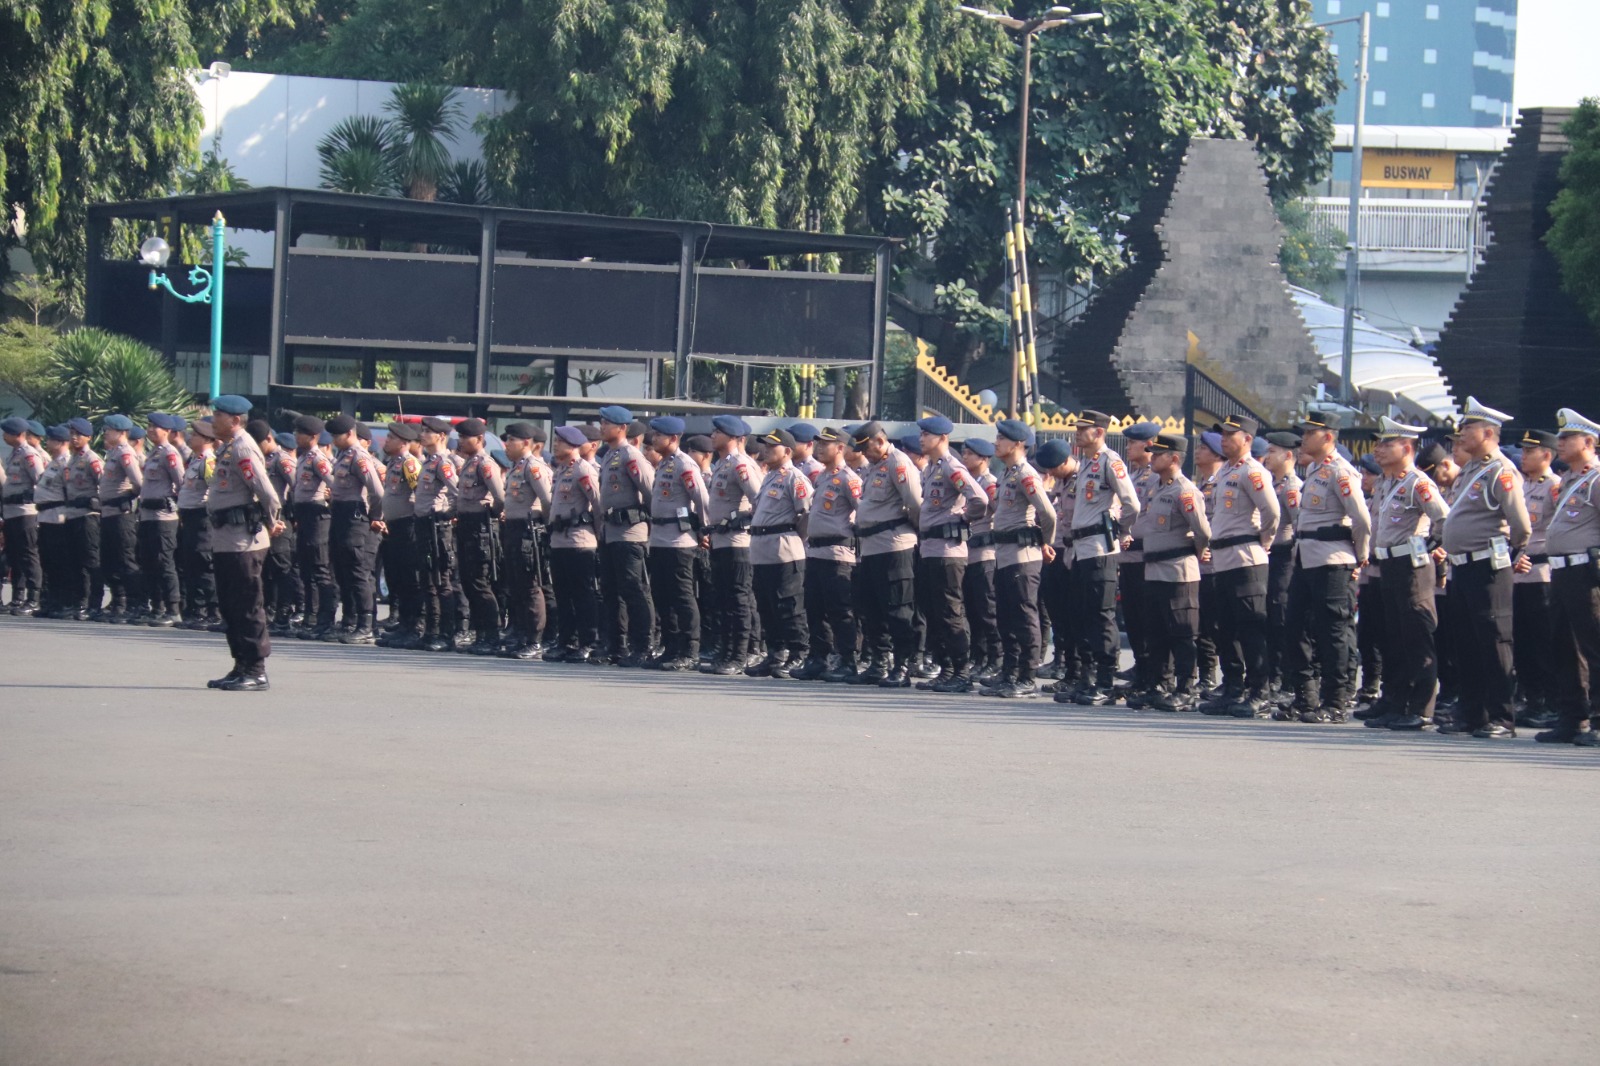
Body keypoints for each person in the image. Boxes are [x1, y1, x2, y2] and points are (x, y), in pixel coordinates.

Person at [1437, 398, 1531, 738]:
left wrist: (1513, 552)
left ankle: (1501, 717)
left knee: (1494, 642)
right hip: (1462, 566)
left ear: (1488, 433)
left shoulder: (1501, 471)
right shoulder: (1473, 470)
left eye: (1468, 428)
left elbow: (1520, 524)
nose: (1461, 434)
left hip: (1488, 567)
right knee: (1466, 643)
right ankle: (1472, 713)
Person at [1351, 418, 1450, 731]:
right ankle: (1396, 701)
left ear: (1407, 448)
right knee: (1393, 637)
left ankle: (1421, 708)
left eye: (1386, 444)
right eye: (1378, 443)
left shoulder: (1417, 482)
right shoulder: (1386, 482)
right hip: (1388, 565)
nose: (1378, 450)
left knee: (1416, 636)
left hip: (1411, 566)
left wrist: (1431, 544)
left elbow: (1443, 518)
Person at [1277, 411, 1372, 724]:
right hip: (1307, 556)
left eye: (1310, 432)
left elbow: (1361, 519)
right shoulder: (1316, 469)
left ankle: (1337, 700)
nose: (1304, 438)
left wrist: (1359, 555)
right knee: (1295, 626)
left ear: (1328, 437)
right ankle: (1307, 697)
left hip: (1333, 559)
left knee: (1333, 630)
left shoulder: (1340, 472)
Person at [1198, 414, 1280, 718]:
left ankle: (1260, 690)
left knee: (1251, 628)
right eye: (1222, 434)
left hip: (1246, 557)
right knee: (1226, 627)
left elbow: (1271, 511)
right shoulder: (1223, 473)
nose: (1224, 439)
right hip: (1223, 559)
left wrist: (1264, 539)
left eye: (1231, 435)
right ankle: (1233, 687)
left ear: (1246, 439)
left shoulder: (1252, 471)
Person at [204, 395, 284, 691]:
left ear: (235, 420)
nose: (213, 420)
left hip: (244, 540)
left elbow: (266, 491)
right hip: (226, 538)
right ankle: (240, 665)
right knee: (230, 605)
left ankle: (256, 669)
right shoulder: (227, 447)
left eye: (218, 415)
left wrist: (270, 519)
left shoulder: (242, 446)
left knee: (248, 605)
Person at [1060, 410, 1140, 705]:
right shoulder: (1085, 464)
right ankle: (1086, 677)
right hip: (1081, 548)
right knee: (1081, 614)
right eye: (1077, 429)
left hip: (1100, 548)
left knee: (1100, 615)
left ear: (1100, 432)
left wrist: (1122, 530)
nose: (1077, 434)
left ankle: (1105, 679)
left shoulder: (1110, 462)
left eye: (1084, 429)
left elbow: (1131, 503)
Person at [1534, 408, 1600, 746]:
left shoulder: (1596, 478)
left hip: (1585, 573)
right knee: (1564, 646)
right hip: (1561, 571)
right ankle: (1573, 717)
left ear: (1588, 442)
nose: (1559, 443)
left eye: (1567, 438)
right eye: (1559, 438)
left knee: (1594, 645)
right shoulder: (1570, 481)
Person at [912, 415, 989, 692]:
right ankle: (945, 668)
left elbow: (979, 498)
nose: (922, 438)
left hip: (948, 550)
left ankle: (961, 670)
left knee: (950, 611)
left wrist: (965, 518)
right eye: (921, 434)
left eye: (927, 434)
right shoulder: (931, 469)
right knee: (933, 611)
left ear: (942, 438)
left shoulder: (951, 467)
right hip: (930, 549)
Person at [1137, 434, 1212, 712]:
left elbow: (1203, 531)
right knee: (1156, 632)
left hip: (1178, 570)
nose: (1152, 457)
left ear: (1175, 458)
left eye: (1158, 454)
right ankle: (1160, 685)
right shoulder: (1156, 487)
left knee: (1182, 632)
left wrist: (1198, 550)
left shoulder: (1185, 490)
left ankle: (1186, 688)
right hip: (1155, 569)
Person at [982, 420, 1057, 698]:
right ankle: (1009, 671)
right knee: (1006, 615)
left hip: (1021, 555)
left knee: (1024, 615)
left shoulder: (1026, 474)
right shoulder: (1007, 474)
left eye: (1001, 438)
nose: (996, 442)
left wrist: (1045, 542)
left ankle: (1027, 676)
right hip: (1004, 555)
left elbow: (1048, 514)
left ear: (1017, 444)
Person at [849, 421, 922, 686]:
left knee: (897, 609)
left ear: (880, 441)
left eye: (866, 448)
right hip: (871, 547)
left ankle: (902, 665)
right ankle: (880, 662)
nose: (863, 454)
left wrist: (911, 531)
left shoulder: (898, 463)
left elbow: (914, 503)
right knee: (871, 607)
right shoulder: (873, 468)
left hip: (894, 545)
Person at [644, 415, 708, 669]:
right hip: (659, 538)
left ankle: (689, 650)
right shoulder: (664, 464)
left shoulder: (684, 464)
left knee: (683, 597)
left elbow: (701, 498)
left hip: (679, 541)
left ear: (673, 438)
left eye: (658, 435)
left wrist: (705, 529)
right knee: (662, 595)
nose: (654, 439)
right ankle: (671, 648)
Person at [746, 428, 811, 677]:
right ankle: (775, 653)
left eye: (771, 447)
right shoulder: (770, 477)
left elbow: (806, 514)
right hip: (763, 548)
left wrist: (795, 538)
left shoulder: (795, 478)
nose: (765, 450)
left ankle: (798, 653)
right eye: (764, 446)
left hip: (784, 548)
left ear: (787, 451)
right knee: (767, 604)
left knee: (789, 605)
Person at [702, 415, 762, 675]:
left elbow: (759, 501)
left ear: (733, 437)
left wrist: (739, 520)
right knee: (724, 599)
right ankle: (725, 652)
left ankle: (740, 655)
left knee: (738, 599)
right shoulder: (722, 465)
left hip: (738, 542)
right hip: (720, 541)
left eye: (718, 431)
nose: (713, 435)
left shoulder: (740, 465)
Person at [596, 405, 656, 666]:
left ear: (622, 428)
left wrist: (649, 525)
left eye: (606, 423)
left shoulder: (631, 455)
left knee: (635, 590)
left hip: (630, 533)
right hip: (611, 532)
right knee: (611, 591)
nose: (602, 427)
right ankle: (616, 645)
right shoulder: (611, 455)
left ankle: (643, 645)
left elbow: (652, 491)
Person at [803, 425, 863, 682]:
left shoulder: (849, 479)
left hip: (838, 554)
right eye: (817, 443)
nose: (818, 447)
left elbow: (863, 512)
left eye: (824, 443)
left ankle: (847, 659)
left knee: (840, 610)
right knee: (815, 609)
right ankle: (819, 657)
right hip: (816, 551)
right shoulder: (822, 477)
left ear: (840, 448)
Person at [1512, 429, 1560, 728]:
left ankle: (1547, 700)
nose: (1524, 456)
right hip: (1518, 574)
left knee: (1544, 642)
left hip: (1542, 573)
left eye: (1530, 451)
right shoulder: (1522, 485)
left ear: (1546, 455)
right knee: (1523, 641)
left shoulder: (1555, 487)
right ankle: (1530, 697)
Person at [322, 415, 385, 644]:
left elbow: (377, 492)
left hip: (354, 517)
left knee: (357, 571)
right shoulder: (343, 456)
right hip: (340, 514)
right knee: (342, 570)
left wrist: (374, 516)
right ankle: (349, 621)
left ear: (350, 434)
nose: (334, 440)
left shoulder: (359, 457)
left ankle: (366, 625)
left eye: (337, 436)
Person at [546, 425, 602, 662]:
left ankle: (588, 641)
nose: (555, 444)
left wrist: (601, 537)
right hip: (560, 541)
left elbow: (598, 503)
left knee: (583, 596)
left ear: (573, 445)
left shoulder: (583, 469)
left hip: (580, 541)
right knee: (563, 595)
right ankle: (566, 641)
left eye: (560, 441)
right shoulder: (561, 470)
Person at [499, 422, 553, 660]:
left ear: (527, 443)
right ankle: (521, 635)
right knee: (517, 586)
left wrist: (547, 527)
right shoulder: (516, 467)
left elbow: (547, 500)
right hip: (512, 529)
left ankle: (534, 639)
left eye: (512, 440)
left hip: (528, 531)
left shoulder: (533, 467)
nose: (507, 444)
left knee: (531, 586)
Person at [452, 418, 506, 655]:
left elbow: (500, 497)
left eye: (466, 437)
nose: (461, 441)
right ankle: (479, 632)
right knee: (468, 580)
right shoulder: (468, 463)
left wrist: (491, 515)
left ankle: (491, 633)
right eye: (461, 437)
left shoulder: (485, 464)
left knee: (480, 582)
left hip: (480, 526)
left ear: (480, 439)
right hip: (465, 524)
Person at [1117, 422, 1161, 705]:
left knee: (1148, 619)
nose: (1129, 447)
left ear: (1149, 444)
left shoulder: (1156, 478)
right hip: (1129, 557)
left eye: (1134, 442)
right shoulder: (1131, 475)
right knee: (1132, 617)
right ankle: (1141, 667)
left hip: (1147, 557)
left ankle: (1151, 673)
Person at [372, 422, 425, 648]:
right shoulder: (393, 463)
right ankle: (403, 624)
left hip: (408, 526)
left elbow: (419, 492)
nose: (387, 441)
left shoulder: (409, 464)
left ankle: (413, 626)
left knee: (409, 578)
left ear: (403, 443)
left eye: (391, 438)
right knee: (396, 578)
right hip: (393, 527)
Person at [413, 416, 460, 652]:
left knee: (442, 580)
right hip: (423, 525)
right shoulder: (428, 461)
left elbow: (457, 493)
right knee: (428, 580)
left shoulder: (443, 463)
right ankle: (431, 630)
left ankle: (446, 633)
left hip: (436, 527)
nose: (422, 434)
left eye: (427, 431)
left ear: (441, 436)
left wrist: (446, 514)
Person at [1261, 431, 1302, 697]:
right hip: (1270, 556)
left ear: (1288, 455)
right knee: (1268, 617)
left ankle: (1285, 679)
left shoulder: (1292, 487)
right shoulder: (1273, 484)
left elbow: (1299, 524)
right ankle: (1272, 674)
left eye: (1273, 451)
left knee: (1280, 617)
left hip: (1286, 556)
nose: (1267, 456)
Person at [136, 413, 186, 626]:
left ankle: (173, 608)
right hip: (147, 515)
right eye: (149, 426)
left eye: (155, 427)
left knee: (164, 562)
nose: (150, 430)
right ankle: (157, 606)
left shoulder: (169, 453)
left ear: (167, 431)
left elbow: (181, 482)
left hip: (163, 516)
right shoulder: (153, 454)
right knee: (149, 562)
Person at [959, 437, 1002, 683]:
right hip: (969, 552)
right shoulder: (970, 482)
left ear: (983, 459)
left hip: (985, 553)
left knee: (987, 610)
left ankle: (995, 659)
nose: (965, 457)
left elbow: (998, 510)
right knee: (973, 611)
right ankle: (979, 656)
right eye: (964, 453)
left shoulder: (990, 483)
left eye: (969, 454)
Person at [291, 416, 337, 639]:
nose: (296, 436)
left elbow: (335, 485)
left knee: (320, 569)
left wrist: (331, 502)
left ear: (313, 437)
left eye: (300, 433)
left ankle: (324, 618)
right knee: (307, 569)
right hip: (304, 516)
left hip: (318, 516)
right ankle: (310, 617)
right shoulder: (303, 458)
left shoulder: (318, 459)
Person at [251, 422, 300, 634]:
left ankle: (283, 614)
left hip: (280, 521)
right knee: (266, 570)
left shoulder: (283, 459)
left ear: (269, 439)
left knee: (282, 568)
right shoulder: (263, 459)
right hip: (263, 519)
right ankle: (269, 611)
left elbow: (297, 487)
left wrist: (294, 515)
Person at [96, 414, 144, 621]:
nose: (106, 432)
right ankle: (118, 600)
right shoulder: (113, 453)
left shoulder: (126, 454)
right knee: (111, 559)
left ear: (122, 433)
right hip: (108, 513)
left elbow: (139, 483)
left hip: (121, 514)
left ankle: (135, 603)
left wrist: (128, 497)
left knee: (126, 560)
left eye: (110, 429)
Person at [2, 416, 46, 615]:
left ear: (18, 435)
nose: (3, 436)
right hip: (11, 512)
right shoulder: (14, 454)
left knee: (29, 555)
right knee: (14, 555)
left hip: (25, 512)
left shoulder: (29, 454)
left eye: (7, 433)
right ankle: (18, 597)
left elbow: (42, 481)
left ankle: (33, 597)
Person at [177, 420, 219, 628]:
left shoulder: (208, 462)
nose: (190, 438)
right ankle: (196, 609)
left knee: (204, 564)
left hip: (202, 518)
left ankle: (211, 611)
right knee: (191, 563)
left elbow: (215, 489)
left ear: (206, 439)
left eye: (194, 435)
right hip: (190, 517)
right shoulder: (195, 460)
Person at [33, 425, 71, 617]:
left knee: (58, 562)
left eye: (51, 439)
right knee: (47, 561)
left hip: (58, 517)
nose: (47, 442)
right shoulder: (53, 462)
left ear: (62, 442)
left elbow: (68, 492)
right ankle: (50, 601)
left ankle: (61, 601)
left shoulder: (66, 463)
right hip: (46, 517)